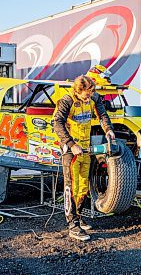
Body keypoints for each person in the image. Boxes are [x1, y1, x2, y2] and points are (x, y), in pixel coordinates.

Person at [53, 73, 115, 241]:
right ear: (78, 90)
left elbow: (102, 116)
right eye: (86, 92)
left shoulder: (94, 98)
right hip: (71, 150)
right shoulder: (67, 101)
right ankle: (72, 225)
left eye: (91, 91)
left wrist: (108, 130)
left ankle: (78, 216)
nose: (89, 95)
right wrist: (71, 144)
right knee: (71, 187)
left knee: (83, 187)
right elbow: (57, 123)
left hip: (86, 148)